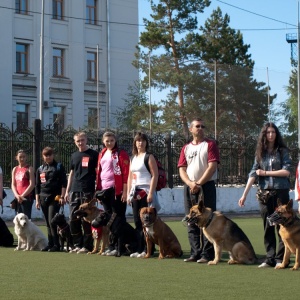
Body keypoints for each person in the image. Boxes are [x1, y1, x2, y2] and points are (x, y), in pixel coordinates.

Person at [238, 122, 292, 268]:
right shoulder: (260, 154)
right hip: (264, 195)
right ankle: (270, 258)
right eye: (268, 132)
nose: (270, 135)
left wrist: (266, 173)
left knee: (282, 226)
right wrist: (244, 195)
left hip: (281, 193)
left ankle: (281, 259)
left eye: (273, 132)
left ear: (276, 134)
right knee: (268, 226)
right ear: (264, 134)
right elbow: (253, 174)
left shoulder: (282, 151)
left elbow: (287, 171)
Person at [178, 118, 219, 263]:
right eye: (197, 126)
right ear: (191, 129)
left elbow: (212, 166)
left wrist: (199, 183)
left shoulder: (210, 144)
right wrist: (190, 183)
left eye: (202, 126)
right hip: (189, 187)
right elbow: (182, 169)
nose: (200, 128)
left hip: (206, 186)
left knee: (208, 220)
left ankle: (207, 254)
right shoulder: (186, 148)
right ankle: (195, 252)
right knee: (191, 219)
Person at [95, 131, 130, 256]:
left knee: (118, 218)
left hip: (116, 190)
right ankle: (111, 245)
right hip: (104, 190)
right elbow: (99, 172)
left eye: (112, 140)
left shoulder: (121, 154)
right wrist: (98, 191)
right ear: (103, 142)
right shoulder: (102, 153)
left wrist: (125, 192)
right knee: (108, 219)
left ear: (115, 141)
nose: (109, 143)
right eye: (107, 141)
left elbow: (126, 174)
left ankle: (121, 246)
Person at [127, 132, 159, 258]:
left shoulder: (149, 156)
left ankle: (148, 249)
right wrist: (129, 193)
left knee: (149, 221)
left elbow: (154, 175)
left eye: (143, 140)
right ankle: (140, 248)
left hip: (146, 191)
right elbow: (130, 176)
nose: (141, 143)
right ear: (135, 143)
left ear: (146, 143)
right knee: (137, 221)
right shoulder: (133, 158)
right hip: (135, 192)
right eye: (138, 140)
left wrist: (151, 192)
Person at [65, 131, 98, 254]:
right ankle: (77, 244)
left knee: (87, 219)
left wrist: (97, 189)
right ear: (75, 142)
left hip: (88, 190)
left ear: (86, 140)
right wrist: (67, 191)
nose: (80, 143)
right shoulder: (74, 156)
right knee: (73, 218)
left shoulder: (94, 154)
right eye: (78, 141)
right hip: (74, 190)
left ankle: (87, 245)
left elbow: (98, 172)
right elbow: (72, 174)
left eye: (82, 140)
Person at [35, 147, 67, 252]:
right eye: (45, 155)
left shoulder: (58, 166)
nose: (48, 157)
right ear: (43, 156)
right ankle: (50, 244)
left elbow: (64, 182)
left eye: (49, 155)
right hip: (43, 197)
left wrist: (62, 196)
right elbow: (37, 185)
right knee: (48, 223)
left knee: (52, 221)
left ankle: (56, 245)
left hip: (55, 198)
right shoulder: (40, 168)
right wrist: (37, 199)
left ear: (53, 155)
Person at [11, 150, 35, 219]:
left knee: (26, 220)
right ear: (16, 158)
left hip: (26, 198)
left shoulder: (29, 168)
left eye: (24, 157)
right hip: (17, 198)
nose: (22, 159)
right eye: (20, 157)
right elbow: (13, 184)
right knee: (18, 220)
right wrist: (17, 195)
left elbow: (32, 184)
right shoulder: (15, 169)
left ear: (26, 157)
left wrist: (22, 196)